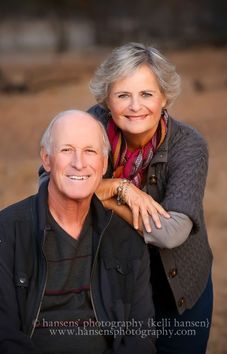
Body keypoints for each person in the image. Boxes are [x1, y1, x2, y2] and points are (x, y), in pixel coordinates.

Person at [88, 42, 213, 354]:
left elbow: (171, 233)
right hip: (110, 284)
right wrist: (122, 187)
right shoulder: (88, 128)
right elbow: (52, 185)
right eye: (123, 95)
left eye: (146, 94)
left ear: (164, 97)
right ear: (107, 99)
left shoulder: (189, 145)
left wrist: (105, 196)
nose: (135, 106)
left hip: (177, 287)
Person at [0, 110, 156, 354]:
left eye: (90, 151)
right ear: (46, 159)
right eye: (66, 150)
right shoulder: (8, 231)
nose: (79, 163)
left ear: (103, 164)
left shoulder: (126, 240)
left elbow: (140, 338)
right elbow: (4, 334)